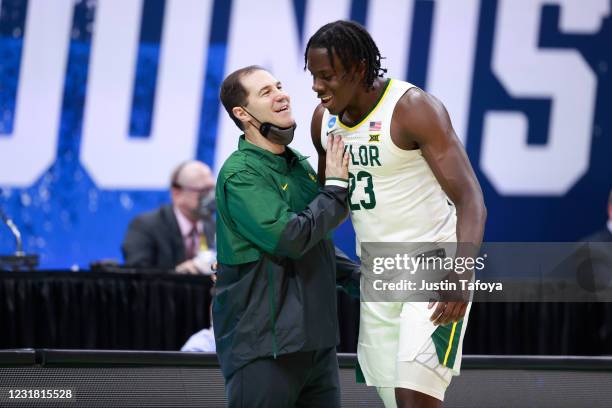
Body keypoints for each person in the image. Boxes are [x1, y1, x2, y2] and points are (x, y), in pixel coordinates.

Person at [306, 21, 487, 407]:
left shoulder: (412, 108)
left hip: (434, 269)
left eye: (327, 76)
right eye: (313, 76)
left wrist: (463, 272)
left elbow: (471, 198)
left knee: (413, 400)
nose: (317, 87)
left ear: (356, 69)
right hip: (378, 276)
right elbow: (329, 205)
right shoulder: (323, 123)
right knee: (393, 402)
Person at [214, 65, 359, 407]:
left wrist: (365, 278)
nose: (282, 94)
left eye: (278, 86)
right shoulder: (240, 175)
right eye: (266, 92)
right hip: (265, 349)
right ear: (242, 113)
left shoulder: (299, 165)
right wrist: (336, 187)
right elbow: (291, 239)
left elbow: (316, 243)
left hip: (317, 347)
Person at [122, 160, 217, 274]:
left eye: (213, 189)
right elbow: (137, 276)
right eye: (203, 191)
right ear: (176, 192)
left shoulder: (216, 228)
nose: (213, 197)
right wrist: (177, 274)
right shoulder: (146, 227)